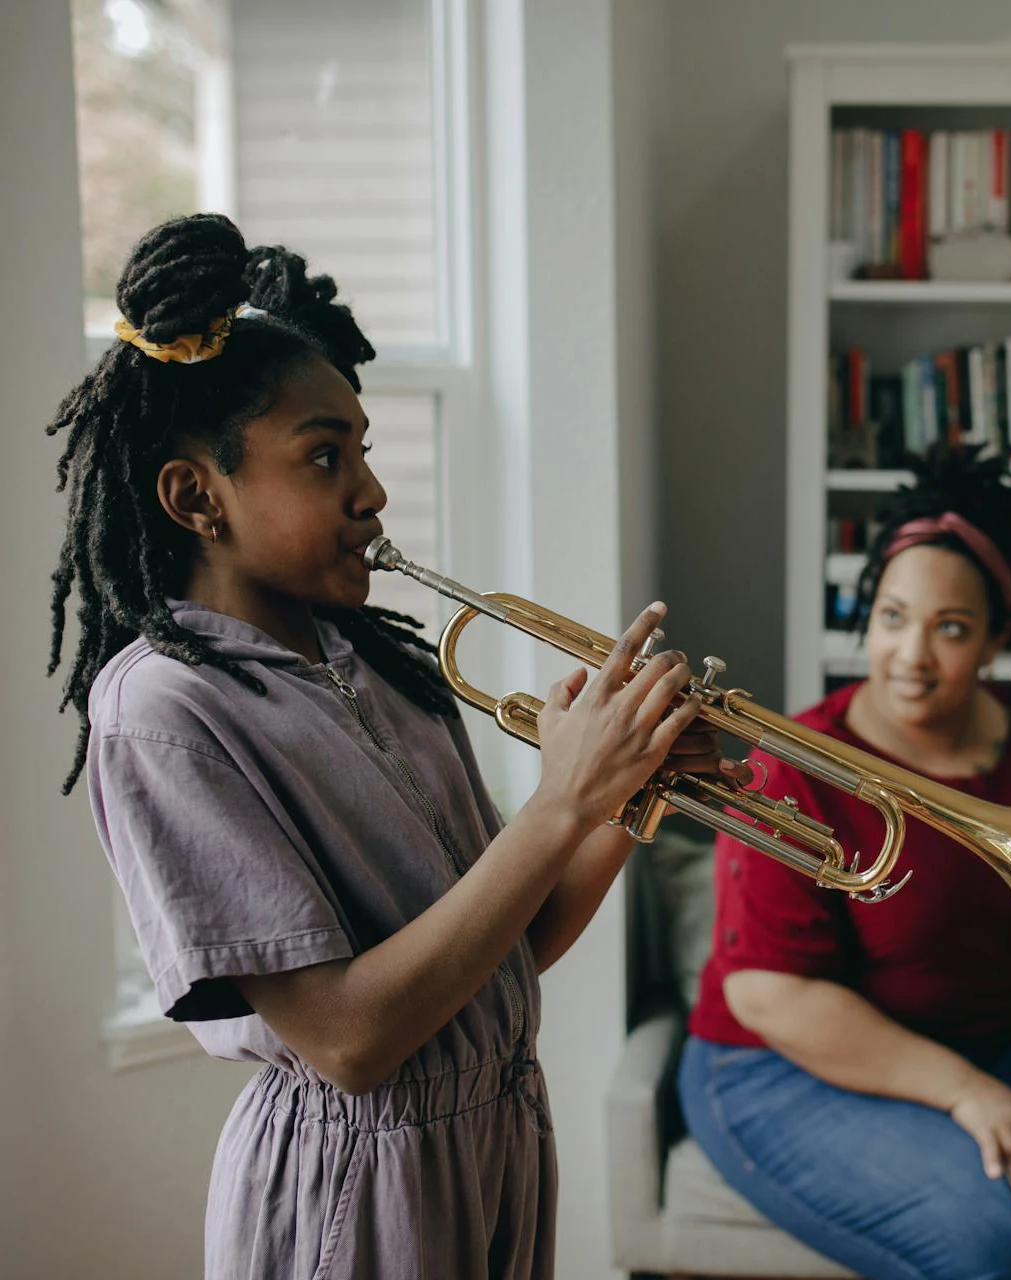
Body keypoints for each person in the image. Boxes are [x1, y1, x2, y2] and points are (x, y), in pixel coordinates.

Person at [47, 212, 742, 1280]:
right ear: (197, 496)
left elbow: (501, 948)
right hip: (353, 1191)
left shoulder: (376, 663)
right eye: (325, 456)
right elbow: (349, 1038)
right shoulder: (164, 710)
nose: (371, 492)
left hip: (499, 1134)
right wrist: (559, 802)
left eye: (363, 451)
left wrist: (618, 796)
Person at [679, 446, 1011, 1280]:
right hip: (779, 1064)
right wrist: (963, 1091)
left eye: (950, 629)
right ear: (866, 615)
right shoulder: (796, 764)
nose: (911, 655)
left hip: (1007, 1031)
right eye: (891, 617)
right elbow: (769, 994)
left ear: (996, 641)